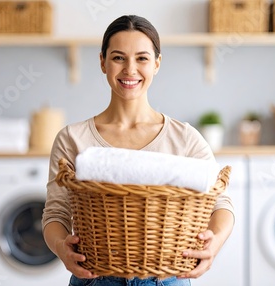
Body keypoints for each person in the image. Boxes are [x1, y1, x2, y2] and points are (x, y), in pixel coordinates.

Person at [42, 14, 235, 286]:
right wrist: (62, 247)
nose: (130, 70)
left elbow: (221, 203)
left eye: (142, 58)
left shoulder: (185, 138)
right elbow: (56, 213)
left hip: (168, 279)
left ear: (157, 64)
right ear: (102, 62)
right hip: (96, 278)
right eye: (118, 58)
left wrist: (213, 244)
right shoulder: (73, 139)